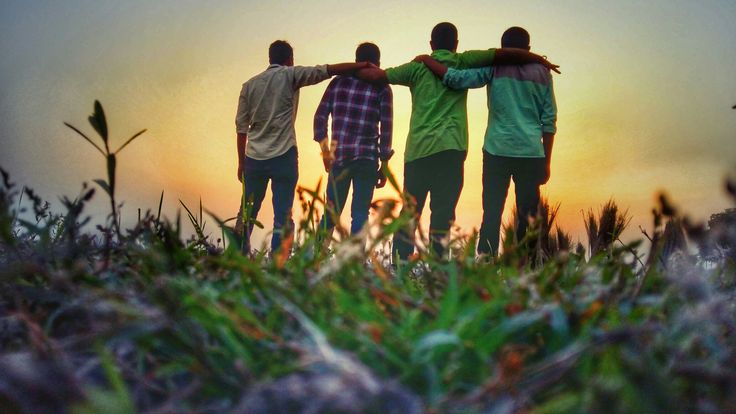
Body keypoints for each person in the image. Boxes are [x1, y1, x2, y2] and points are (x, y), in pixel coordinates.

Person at [356, 22, 558, 262]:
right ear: (456, 44)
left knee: (419, 211)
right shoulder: (474, 62)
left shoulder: (419, 68)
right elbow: (548, 119)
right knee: (449, 213)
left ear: (432, 44)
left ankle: (405, 265)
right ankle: (516, 267)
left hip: (433, 150)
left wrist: (349, 68)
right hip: (466, 150)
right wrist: (540, 61)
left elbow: (382, 76)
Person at [416, 27, 558, 256]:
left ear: (501, 49)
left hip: (496, 151)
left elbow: (456, 79)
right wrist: (546, 161)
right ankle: (524, 269)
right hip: (532, 153)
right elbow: (549, 121)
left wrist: (427, 60)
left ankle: (485, 262)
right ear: (528, 49)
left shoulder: (495, 67)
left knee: (491, 213)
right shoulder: (542, 73)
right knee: (528, 217)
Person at [235, 40, 371, 254]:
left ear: (270, 58)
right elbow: (326, 71)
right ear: (290, 59)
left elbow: (241, 128)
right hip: (283, 156)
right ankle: (278, 262)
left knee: (247, 212)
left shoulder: (249, 85)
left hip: (254, 157)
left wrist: (242, 163)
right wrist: (360, 66)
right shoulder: (290, 75)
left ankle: (237, 257)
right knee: (282, 215)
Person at [314, 43, 393, 245]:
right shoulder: (382, 87)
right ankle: (354, 261)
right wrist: (384, 165)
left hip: (338, 159)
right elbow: (387, 130)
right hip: (366, 160)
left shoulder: (338, 83)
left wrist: (326, 154)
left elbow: (319, 118)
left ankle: (315, 262)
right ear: (378, 62)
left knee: (331, 213)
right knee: (360, 214)